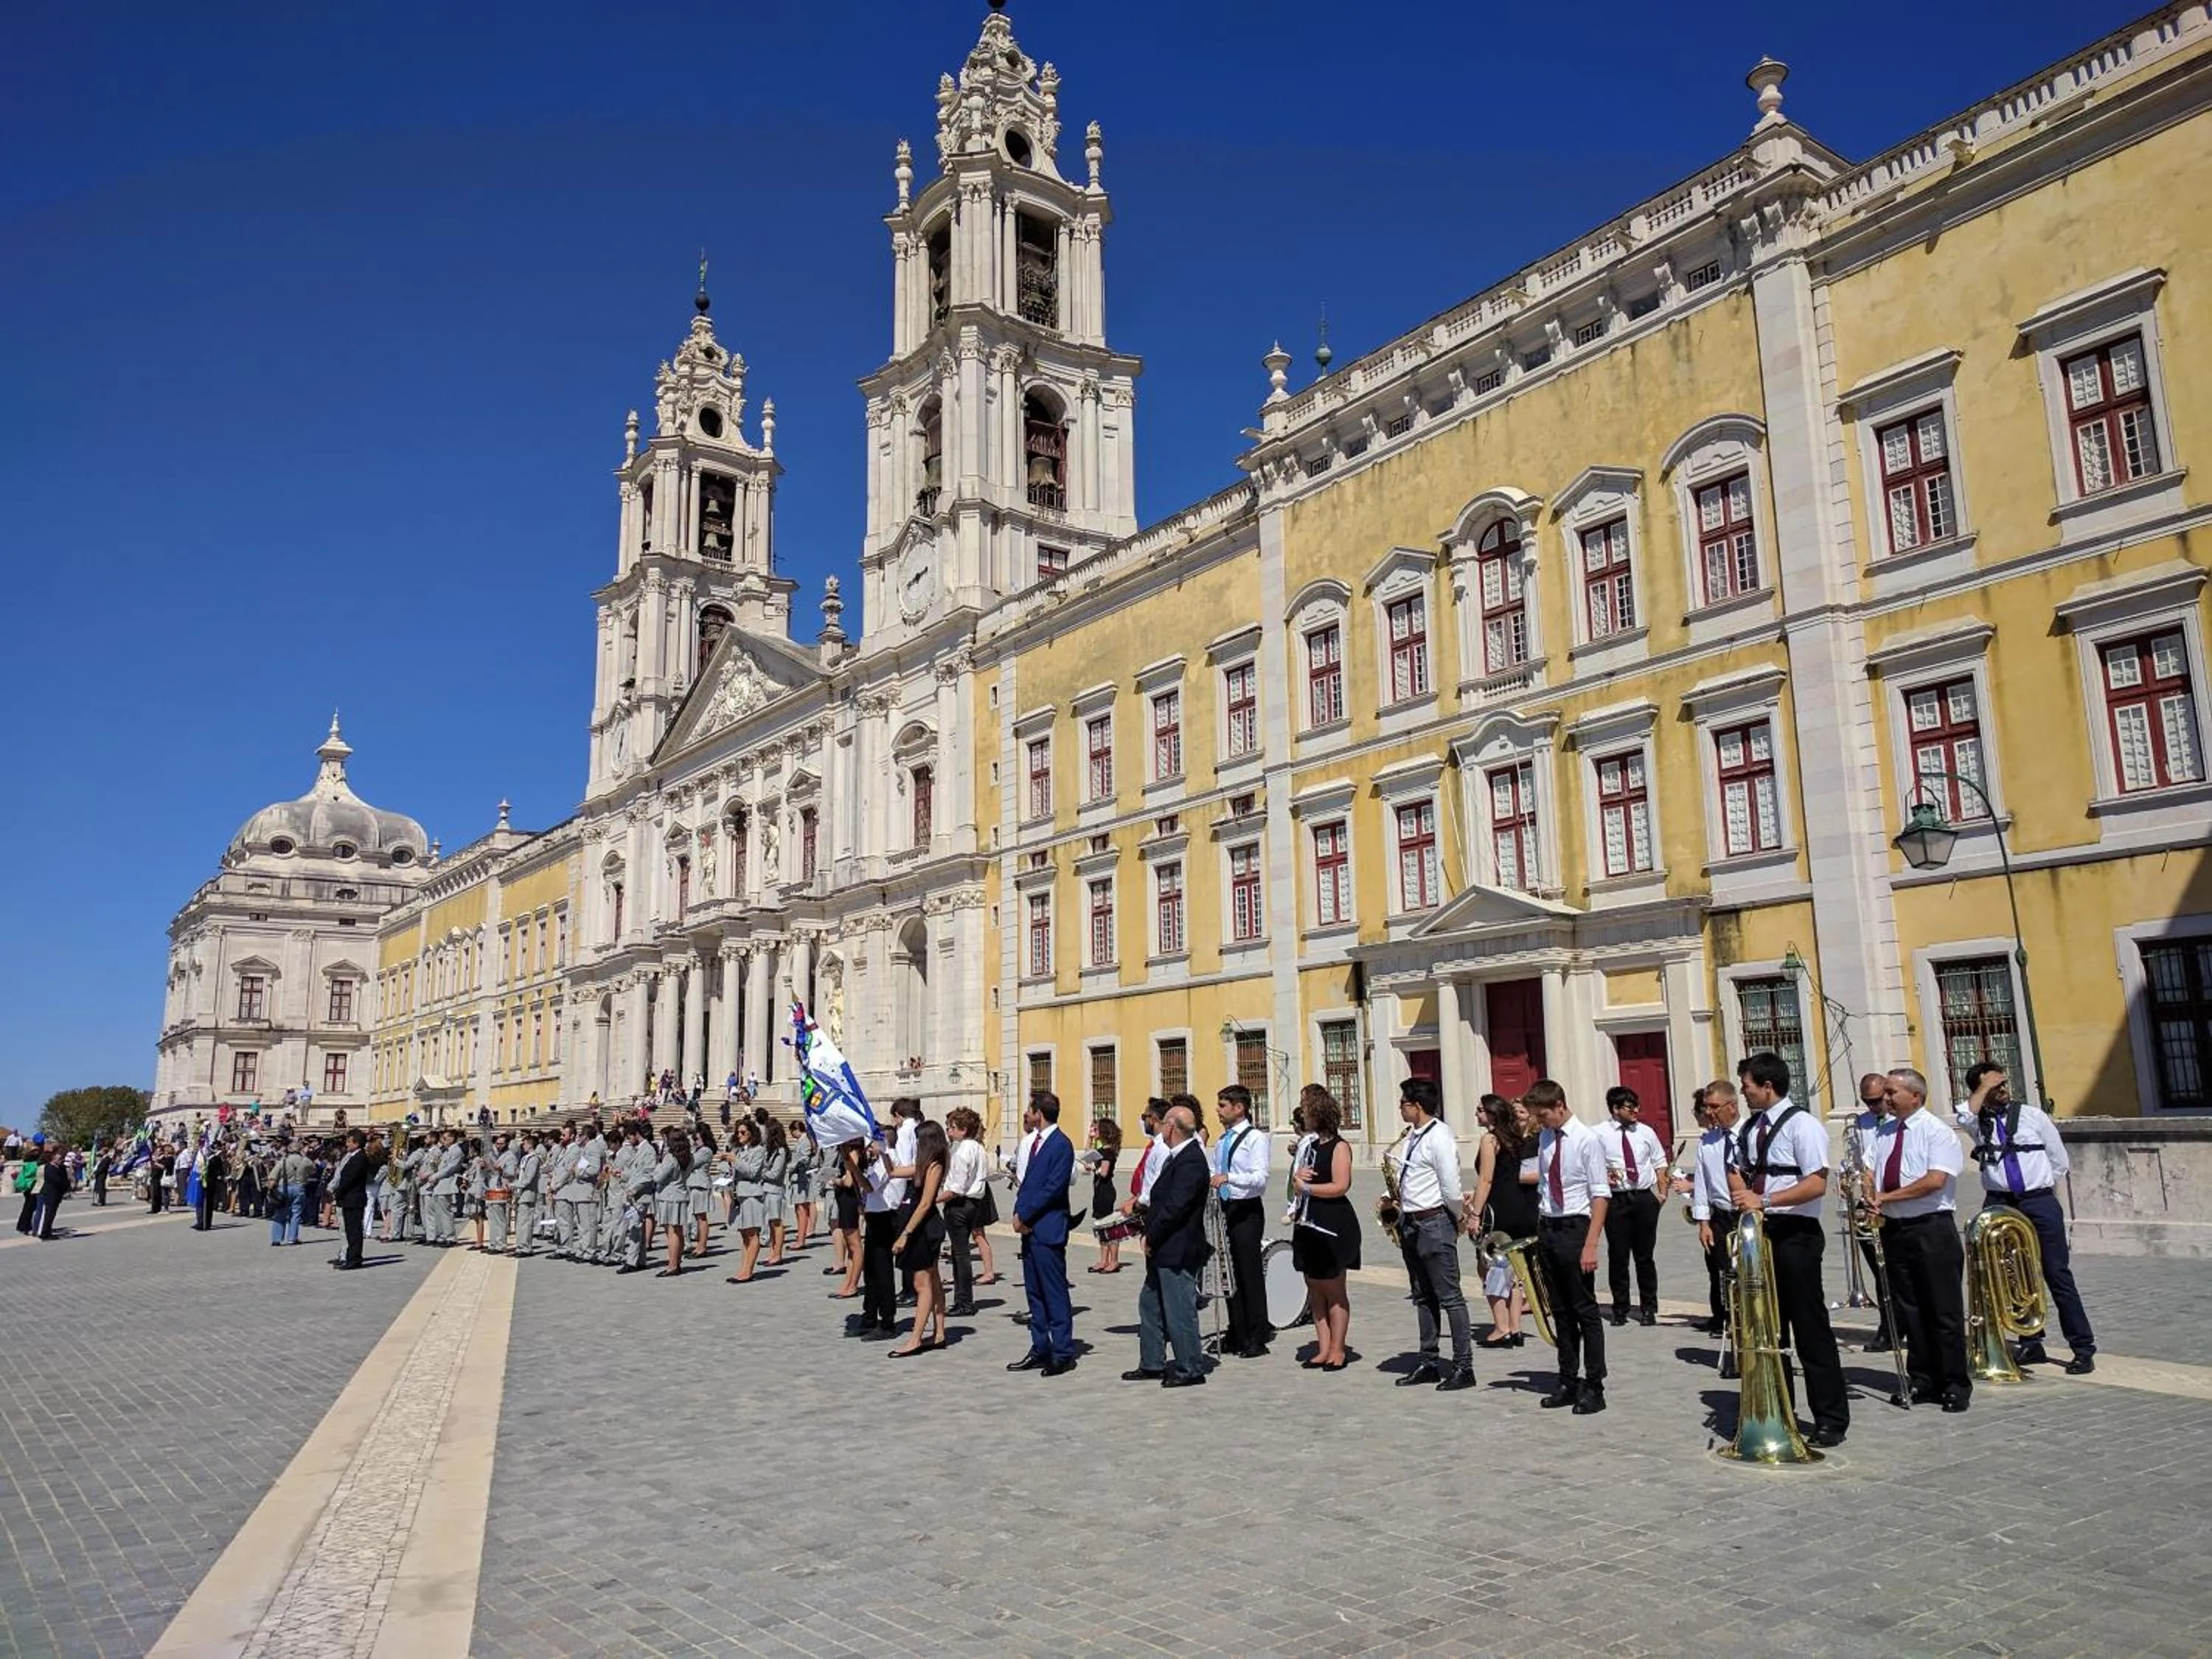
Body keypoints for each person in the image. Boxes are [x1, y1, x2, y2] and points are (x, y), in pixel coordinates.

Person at [1728, 1051, 1849, 1449]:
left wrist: (1765, 1201)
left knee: (1808, 1326)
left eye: (1747, 1085)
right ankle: (1778, 1411)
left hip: (1796, 1231)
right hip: (1761, 1232)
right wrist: (1740, 1191)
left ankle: (1831, 1416)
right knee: (1767, 1324)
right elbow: (1739, 1167)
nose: (1743, 1092)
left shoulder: (1803, 1125)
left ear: (1767, 1085)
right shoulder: (1750, 1128)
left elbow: (1816, 1183)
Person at [1954, 1062, 2096, 1374]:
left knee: (2057, 1273)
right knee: (2011, 1274)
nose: (2002, 1090)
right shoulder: (1980, 1123)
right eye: (1994, 1087)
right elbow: (1963, 1114)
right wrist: (1983, 1089)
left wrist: (2038, 1188)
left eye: (2004, 1084)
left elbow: (2059, 1160)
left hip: (2038, 1200)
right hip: (2000, 1202)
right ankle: (2031, 1341)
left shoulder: (2033, 1116)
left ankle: (2083, 1347)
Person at [1868, 1066, 1969, 1411]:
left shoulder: (1936, 1132)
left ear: (1916, 1095)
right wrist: (1866, 1191)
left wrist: (1886, 1198)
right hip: (1896, 1229)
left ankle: (1955, 1381)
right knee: (1910, 1309)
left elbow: (1934, 1181)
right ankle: (1922, 1379)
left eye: (1892, 1092)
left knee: (1944, 1309)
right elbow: (1871, 1169)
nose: (1887, 1099)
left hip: (1931, 1228)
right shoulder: (1885, 1133)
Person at [1527, 1079, 1610, 1414]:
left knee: (1584, 1310)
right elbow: (1546, 1185)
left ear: (1560, 1106)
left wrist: (1591, 1243)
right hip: (1549, 1225)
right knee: (1559, 1310)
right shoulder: (1546, 1138)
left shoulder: (1588, 1140)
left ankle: (1594, 1384)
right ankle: (1567, 1378)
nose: (1541, 1122)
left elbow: (1600, 1193)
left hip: (1576, 1226)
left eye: (1544, 1115)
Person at [1387, 1078, 1475, 1391]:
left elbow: (1451, 1186)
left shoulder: (1440, 1136)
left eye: (1403, 1103)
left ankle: (1464, 1366)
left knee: (1450, 1297)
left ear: (1417, 1106)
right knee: (1422, 1295)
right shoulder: (1412, 1136)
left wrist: (1458, 1216)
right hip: (1411, 1221)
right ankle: (1429, 1361)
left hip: (1434, 1220)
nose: (1400, 1107)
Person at [1127, 1103, 1211, 1386]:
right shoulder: (1177, 1156)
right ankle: (1152, 1362)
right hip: (1163, 1245)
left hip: (1178, 1246)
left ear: (1171, 1126)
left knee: (1179, 1308)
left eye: (1163, 1122)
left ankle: (1190, 1367)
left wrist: (1153, 1235)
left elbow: (1175, 1207)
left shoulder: (1191, 1160)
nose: (1160, 1127)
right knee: (1150, 1303)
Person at [1290, 1089, 1360, 1371]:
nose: (1302, 1115)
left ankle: (1338, 1349)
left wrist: (1307, 1187)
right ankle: (1322, 1347)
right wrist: (1297, 1179)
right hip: (1307, 1220)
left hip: (1332, 1222)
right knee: (1314, 1289)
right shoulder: (1310, 1146)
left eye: (1306, 1110)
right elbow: (1297, 1179)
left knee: (1334, 1289)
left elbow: (1341, 1186)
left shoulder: (1339, 1147)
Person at [1008, 1092, 1077, 1377]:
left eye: (1030, 1109)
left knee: (1054, 1292)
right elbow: (1027, 1184)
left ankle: (1062, 1351)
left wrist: (1025, 1215)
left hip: (1047, 1227)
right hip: (1030, 1229)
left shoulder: (1061, 1145)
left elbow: (1052, 1188)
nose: (1027, 1114)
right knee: (1034, 1293)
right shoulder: (1033, 1143)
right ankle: (1040, 1348)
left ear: (1039, 1112)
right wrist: (1018, 1213)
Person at [1468, 1093, 1538, 1348]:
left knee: (1490, 1266)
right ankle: (1516, 1326)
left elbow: (1486, 1179)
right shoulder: (1516, 1138)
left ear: (1492, 1114)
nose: (1476, 1114)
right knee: (1515, 1270)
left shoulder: (1491, 1139)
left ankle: (1501, 1327)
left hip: (1499, 1209)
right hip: (1520, 1206)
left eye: (1480, 1110)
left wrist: (1475, 1213)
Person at [1210, 1085, 1271, 1356]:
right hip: (1225, 1209)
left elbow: (1260, 1179)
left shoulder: (1255, 1138)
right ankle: (1237, 1330)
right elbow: (1215, 1170)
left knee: (1249, 1273)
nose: (1218, 1110)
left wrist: (1230, 1179)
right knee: (1229, 1275)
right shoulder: (1222, 1140)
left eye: (1223, 1105)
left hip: (1247, 1210)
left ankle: (1257, 1335)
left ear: (1239, 1107)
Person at [1601, 1085, 1668, 1326]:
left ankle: (1649, 1307)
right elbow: (1590, 1164)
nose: (1636, 1111)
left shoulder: (1646, 1132)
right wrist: (1602, 1176)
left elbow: (1660, 1162)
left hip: (1643, 1198)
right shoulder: (1599, 1133)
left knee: (1645, 1256)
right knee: (1618, 1256)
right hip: (1616, 1200)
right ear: (1616, 1109)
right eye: (1630, 1107)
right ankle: (1620, 1307)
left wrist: (1661, 1193)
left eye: (1636, 1106)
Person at [889, 1121, 951, 1356]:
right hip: (921, 1227)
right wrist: (884, 1150)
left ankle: (915, 1338)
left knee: (921, 1283)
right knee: (933, 1280)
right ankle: (939, 1333)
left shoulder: (934, 1165)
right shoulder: (922, 1165)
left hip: (925, 1228)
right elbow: (893, 1172)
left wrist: (905, 1234)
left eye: (918, 1139)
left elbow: (926, 1203)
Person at [1690, 1084, 1740, 1341]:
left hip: (1746, 1215)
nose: (1709, 1113)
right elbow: (1701, 1183)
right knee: (1723, 1272)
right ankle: (1727, 1319)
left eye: (1714, 1107)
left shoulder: (1750, 1135)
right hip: (1720, 1215)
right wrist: (1703, 1222)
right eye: (1706, 1108)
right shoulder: (1708, 1141)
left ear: (1732, 1105)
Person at [1851, 1073, 1896, 1351]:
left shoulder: (1899, 1121)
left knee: (1901, 1269)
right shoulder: (1861, 1124)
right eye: (1867, 1102)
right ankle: (1888, 1325)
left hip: (1895, 1200)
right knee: (1880, 1269)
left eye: (1877, 1101)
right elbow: (1858, 1161)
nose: (1873, 1107)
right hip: (1870, 1200)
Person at [942, 1107, 990, 1317]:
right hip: (975, 1203)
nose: (949, 1131)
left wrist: (930, 1200)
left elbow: (956, 1188)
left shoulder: (962, 1151)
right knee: (962, 1254)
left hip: (959, 1204)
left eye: (952, 1127)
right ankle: (963, 1299)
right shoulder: (978, 1148)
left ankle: (964, 1301)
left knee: (960, 1255)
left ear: (963, 1129)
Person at [851, 1139, 900, 1339]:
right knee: (870, 1270)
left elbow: (870, 1187)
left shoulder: (888, 1160)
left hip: (885, 1217)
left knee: (882, 1270)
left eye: (872, 1144)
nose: (869, 1148)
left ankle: (887, 1320)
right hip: (874, 1215)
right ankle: (870, 1315)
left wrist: (853, 1170)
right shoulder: (878, 1161)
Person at [726, 1119, 770, 1284]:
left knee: (752, 1234)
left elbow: (752, 1172)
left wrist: (735, 1160)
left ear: (752, 1133)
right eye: (738, 1132)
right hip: (742, 1195)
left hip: (752, 1195)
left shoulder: (758, 1150)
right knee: (744, 1234)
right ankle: (743, 1269)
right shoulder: (742, 1150)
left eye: (743, 1132)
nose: (740, 1135)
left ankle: (748, 1271)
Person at [559, 1122, 606, 1264]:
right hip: (581, 1190)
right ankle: (583, 1249)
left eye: (580, 1135)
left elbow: (594, 1169)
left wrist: (578, 1172)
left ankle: (589, 1250)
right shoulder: (587, 1148)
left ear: (585, 1136)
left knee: (588, 1223)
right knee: (581, 1223)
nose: (578, 1138)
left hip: (588, 1189)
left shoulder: (593, 1147)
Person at [1085, 1118, 1125, 1275]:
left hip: (1106, 1191)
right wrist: (1090, 1138)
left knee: (1109, 1226)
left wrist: (1094, 1170)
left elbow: (1104, 1172)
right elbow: (1089, 1154)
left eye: (1097, 1129)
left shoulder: (1108, 1152)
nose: (1096, 1131)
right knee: (1100, 1225)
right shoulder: (1102, 1150)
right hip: (1099, 1190)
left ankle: (1113, 1261)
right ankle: (1103, 1260)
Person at [330, 1131, 372, 1269]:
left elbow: (349, 1179)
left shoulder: (359, 1158)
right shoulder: (353, 1157)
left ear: (357, 1143)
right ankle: (351, 1257)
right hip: (350, 1199)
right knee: (350, 1231)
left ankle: (354, 1259)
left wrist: (337, 1193)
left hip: (354, 1198)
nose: (346, 1144)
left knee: (354, 1232)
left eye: (349, 1142)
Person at [760, 1118, 793, 1266]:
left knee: (777, 1223)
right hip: (767, 1190)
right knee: (770, 1223)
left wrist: (759, 1173)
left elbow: (775, 1173)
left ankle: (777, 1253)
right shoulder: (770, 1150)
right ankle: (772, 1252)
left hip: (775, 1191)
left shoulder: (781, 1151)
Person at [270, 1139, 312, 1246]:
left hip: (284, 1187)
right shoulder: (306, 1160)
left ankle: (277, 1238)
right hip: (299, 1187)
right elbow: (313, 1171)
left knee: (280, 1213)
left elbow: (273, 1176)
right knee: (296, 1213)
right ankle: (292, 1238)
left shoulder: (283, 1161)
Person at [688, 1121, 719, 1259]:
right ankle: (699, 1245)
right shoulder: (698, 1150)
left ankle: (702, 1246)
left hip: (700, 1185)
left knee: (701, 1217)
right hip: (694, 1184)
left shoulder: (706, 1151)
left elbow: (692, 1163)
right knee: (697, 1216)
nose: (694, 1141)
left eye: (696, 1138)